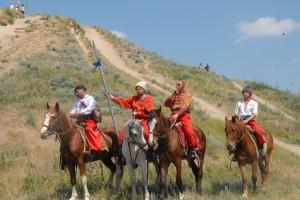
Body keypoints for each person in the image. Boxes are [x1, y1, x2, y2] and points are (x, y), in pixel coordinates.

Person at [164, 79, 198, 157]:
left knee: (188, 131)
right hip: (172, 114)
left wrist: (178, 114)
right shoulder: (175, 94)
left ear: (183, 85)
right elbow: (165, 104)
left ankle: (192, 148)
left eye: (179, 85)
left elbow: (185, 107)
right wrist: (172, 96)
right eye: (176, 85)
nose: (177, 86)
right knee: (162, 127)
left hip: (183, 115)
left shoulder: (187, 94)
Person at [234, 85, 267, 156]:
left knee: (258, 131)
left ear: (250, 94)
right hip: (240, 120)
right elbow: (236, 113)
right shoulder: (239, 103)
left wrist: (247, 121)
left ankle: (262, 147)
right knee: (232, 131)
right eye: (244, 92)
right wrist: (238, 116)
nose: (245, 93)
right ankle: (233, 149)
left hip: (250, 119)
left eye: (247, 92)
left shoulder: (254, 103)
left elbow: (254, 114)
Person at [70, 84, 101, 153]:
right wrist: (72, 113)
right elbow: (73, 109)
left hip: (89, 120)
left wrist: (80, 112)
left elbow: (90, 108)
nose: (76, 93)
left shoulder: (90, 98)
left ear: (83, 90)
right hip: (79, 120)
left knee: (89, 129)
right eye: (75, 92)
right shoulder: (76, 101)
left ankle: (94, 148)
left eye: (77, 92)